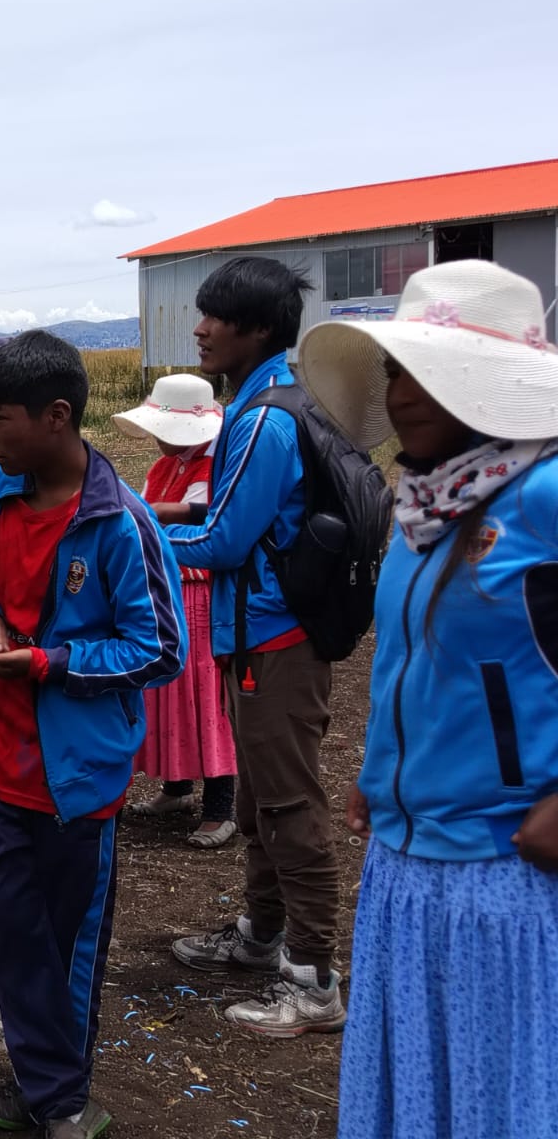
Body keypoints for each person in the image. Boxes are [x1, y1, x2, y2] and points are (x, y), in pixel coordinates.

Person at [296, 260, 558, 1138]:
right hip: (410, 868)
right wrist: (383, 772)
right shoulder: (424, 511)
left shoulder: (544, 496)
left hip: (510, 872)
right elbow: (424, 667)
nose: (402, 393)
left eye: (428, 372)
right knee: (425, 1096)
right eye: (395, 371)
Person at [0, 331, 185, 1136]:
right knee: (10, 931)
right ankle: (44, 1085)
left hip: (77, 780)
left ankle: (64, 1100)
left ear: (55, 416)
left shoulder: (121, 525)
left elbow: (160, 649)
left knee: (68, 942)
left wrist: (49, 663)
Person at [161, 257, 346, 1038]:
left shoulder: (266, 419)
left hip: (276, 638)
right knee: (257, 799)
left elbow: (226, 542)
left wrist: (131, 536)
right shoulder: (266, 402)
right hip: (257, 635)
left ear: (260, 329)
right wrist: (169, 515)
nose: (200, 328)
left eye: (216, 317)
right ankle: (260, 936)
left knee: (290, 804)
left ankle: (313, 979)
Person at [112, 374, 237, 849]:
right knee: (169, 692)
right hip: (167, 590)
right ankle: (178, 787)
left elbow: (207, 518)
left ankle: (221, 806)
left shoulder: (218, 467)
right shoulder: (166, 466)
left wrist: (161, 514)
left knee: (205, 695)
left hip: (199, 595)